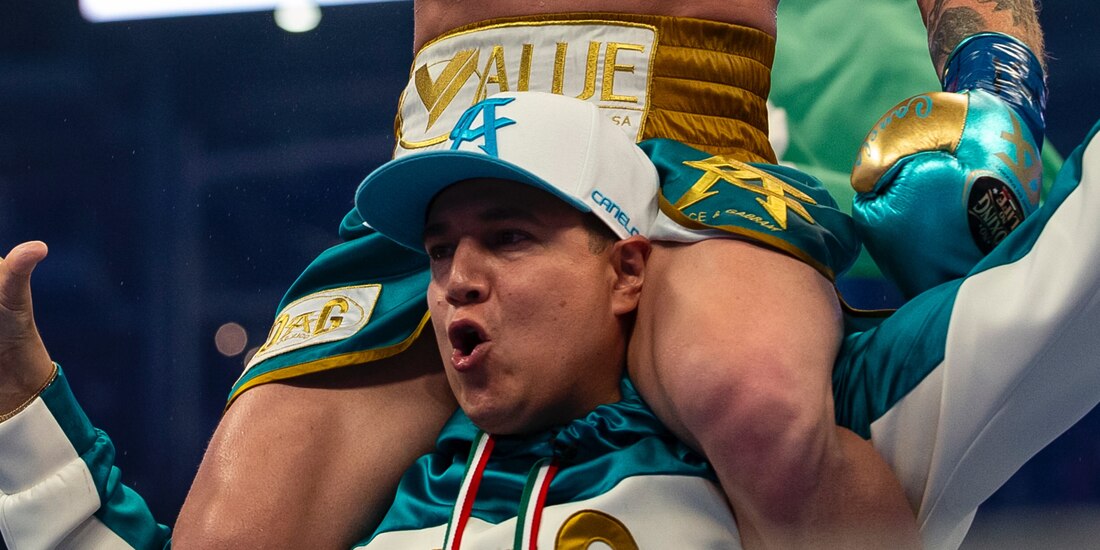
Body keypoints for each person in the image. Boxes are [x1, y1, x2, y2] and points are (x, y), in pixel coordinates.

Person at [0, 1, 1054, 549]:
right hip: (452, 155)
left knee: (758, 406)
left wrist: (993, 78)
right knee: (232, 535)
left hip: (679, 128)